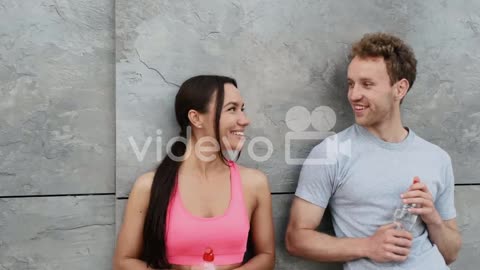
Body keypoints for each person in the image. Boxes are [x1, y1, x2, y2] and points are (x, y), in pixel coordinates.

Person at [285, 33, 462, 269]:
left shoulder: (437, 158)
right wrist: (368, 246)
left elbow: (451, 254)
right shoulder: (331, 153)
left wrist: (433, 219)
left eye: (367, 84)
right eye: (351, 84)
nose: (353, 94)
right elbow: (296, 239)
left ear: (400, 89)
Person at [114, 75, 275, 270]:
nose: (245, 120)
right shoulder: (149, 186)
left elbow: (266, 256)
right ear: (196, 118)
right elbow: (124, 262)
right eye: (232, 109)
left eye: (242, 109)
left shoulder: (254, 183)